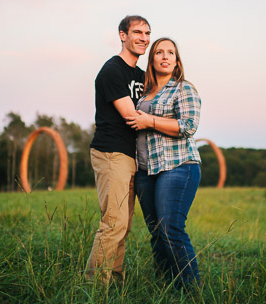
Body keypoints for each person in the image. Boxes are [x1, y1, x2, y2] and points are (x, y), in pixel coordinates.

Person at [125, 37, 202, 289]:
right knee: (157, 233)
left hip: (179, 166)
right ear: (152, 59)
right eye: (159, 52)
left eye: (171, 52)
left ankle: (191, 291)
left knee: (171, 229)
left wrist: (150, 121)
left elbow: (188, 126)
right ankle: (164, 286)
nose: (165, 56)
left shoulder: (183, 89)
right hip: (146, 171)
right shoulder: (143, 94)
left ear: (177, 61)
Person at [85, 15, 151, 284]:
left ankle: (114, 281)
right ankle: (93, 288)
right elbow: (131, 115)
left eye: (147, 33)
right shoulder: (112, 70)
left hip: (131, 156)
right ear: (123, 35)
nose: (143, 38)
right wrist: (167, 123)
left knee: (123, 226)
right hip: (112, 152)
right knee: (114, 223)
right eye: (137, 32)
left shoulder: (141, 75)